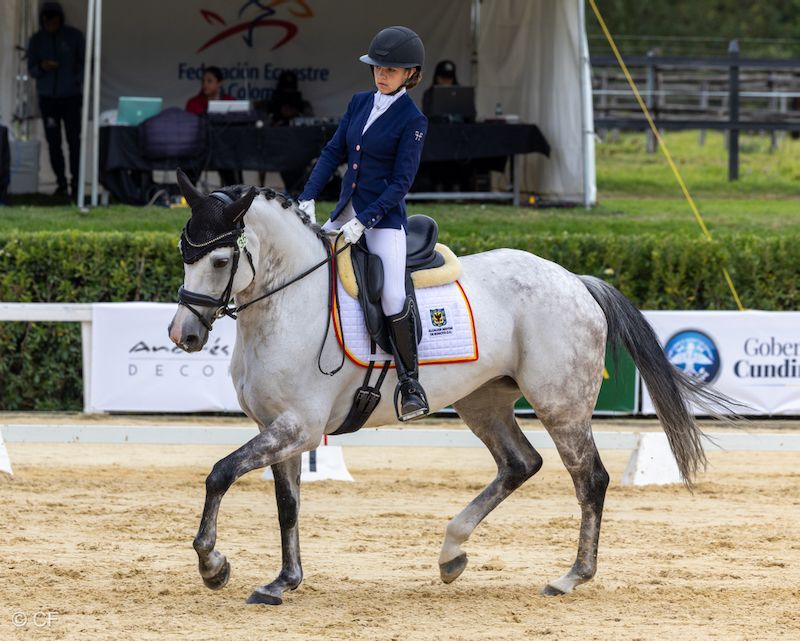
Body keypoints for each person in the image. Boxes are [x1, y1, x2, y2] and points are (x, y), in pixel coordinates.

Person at [297, 26, 430, 421]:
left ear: (410, 73)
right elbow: (333, 151)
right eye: (377, 67)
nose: (381, 74)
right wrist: (307, 197)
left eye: (391, 69)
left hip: (384, 221)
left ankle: (411, 384)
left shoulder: (414, 119)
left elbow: (401, 183)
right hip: (345, 212)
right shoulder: (358, 103)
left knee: (391, 295)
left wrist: (365, 221)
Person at [27, 2, 85, 197]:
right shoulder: (37, 40)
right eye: (46, 20)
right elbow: (31, 69)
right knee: (54, 142)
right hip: (48, 98)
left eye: (53, 20)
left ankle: (76, 182)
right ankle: (61, 182)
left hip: (71, 98)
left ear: (60, 19)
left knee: (74, 141)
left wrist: (75, 83)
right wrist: (43, 67)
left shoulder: (74, 36)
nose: (50, 23)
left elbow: (84, 64)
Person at [258, 70, 313, 194]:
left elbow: (310, 124)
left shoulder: (302, 104)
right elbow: (262, 125)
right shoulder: (272, 104)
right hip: (275, 146)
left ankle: (296, 190)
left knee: (297, 158)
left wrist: (295, 114)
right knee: (285, 158)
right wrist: (276, 120)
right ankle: (292, 190)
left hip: (296, 146)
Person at [184, 66, 240, 187]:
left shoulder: (230, 101)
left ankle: (235, 195)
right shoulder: (193, 102)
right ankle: (187, 194)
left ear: (219, 83)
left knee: (229, 161)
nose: (205, 84)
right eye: (203, 81)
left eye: (209, 81)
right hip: (200, 150)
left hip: (225, 150)